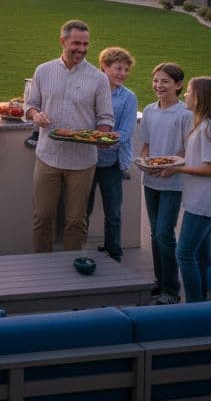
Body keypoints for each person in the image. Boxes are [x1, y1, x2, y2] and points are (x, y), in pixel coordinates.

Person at [25, 19, 115, 253]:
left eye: (86, 44)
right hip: (48, 156)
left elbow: (106, 118)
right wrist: (36, 115)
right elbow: (30, 105)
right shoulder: (43, 71)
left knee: (76, 220)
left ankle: (71, 270)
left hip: (82, 160)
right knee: (42, 216)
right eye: (76, 43)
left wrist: (102, 137)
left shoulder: (98, 78)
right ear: (62, 41)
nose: (82, 49)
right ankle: (41, 265)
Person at [154, 76, 211, 303]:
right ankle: (206, 302)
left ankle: (195, 305)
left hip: (203, 202)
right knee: (202, 256)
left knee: (184, 254)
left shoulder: (209, 128)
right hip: (203, 200)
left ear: (202, 98)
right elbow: (199, 159)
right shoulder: (204, 125)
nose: (186, 95)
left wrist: (178, 170)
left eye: (189, 91)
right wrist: (176, 161)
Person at [139, 62, 192, 305]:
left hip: (173, 182)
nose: (158, 86)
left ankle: (172, 289)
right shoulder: (149, 110)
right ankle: (160, 282)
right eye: (156, 81)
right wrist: (145, 162)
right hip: (151, 180)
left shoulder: (185, 114)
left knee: (164, 233)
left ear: (178, 85)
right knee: (154, 234)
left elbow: (186, 149)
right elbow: (147, 144)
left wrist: (171, 168)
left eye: (165, 81)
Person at [86, 47, 136, 262]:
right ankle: (76, 250)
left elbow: (126, 131)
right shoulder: (90, 90)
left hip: (112, 162)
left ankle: (114, 251)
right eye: (118, 68)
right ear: (104, 67)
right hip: (86, 160)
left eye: (126, 70)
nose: (122, 73)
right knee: (82, 210)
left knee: (113, 211)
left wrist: (108, 140)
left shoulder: (128, 98)